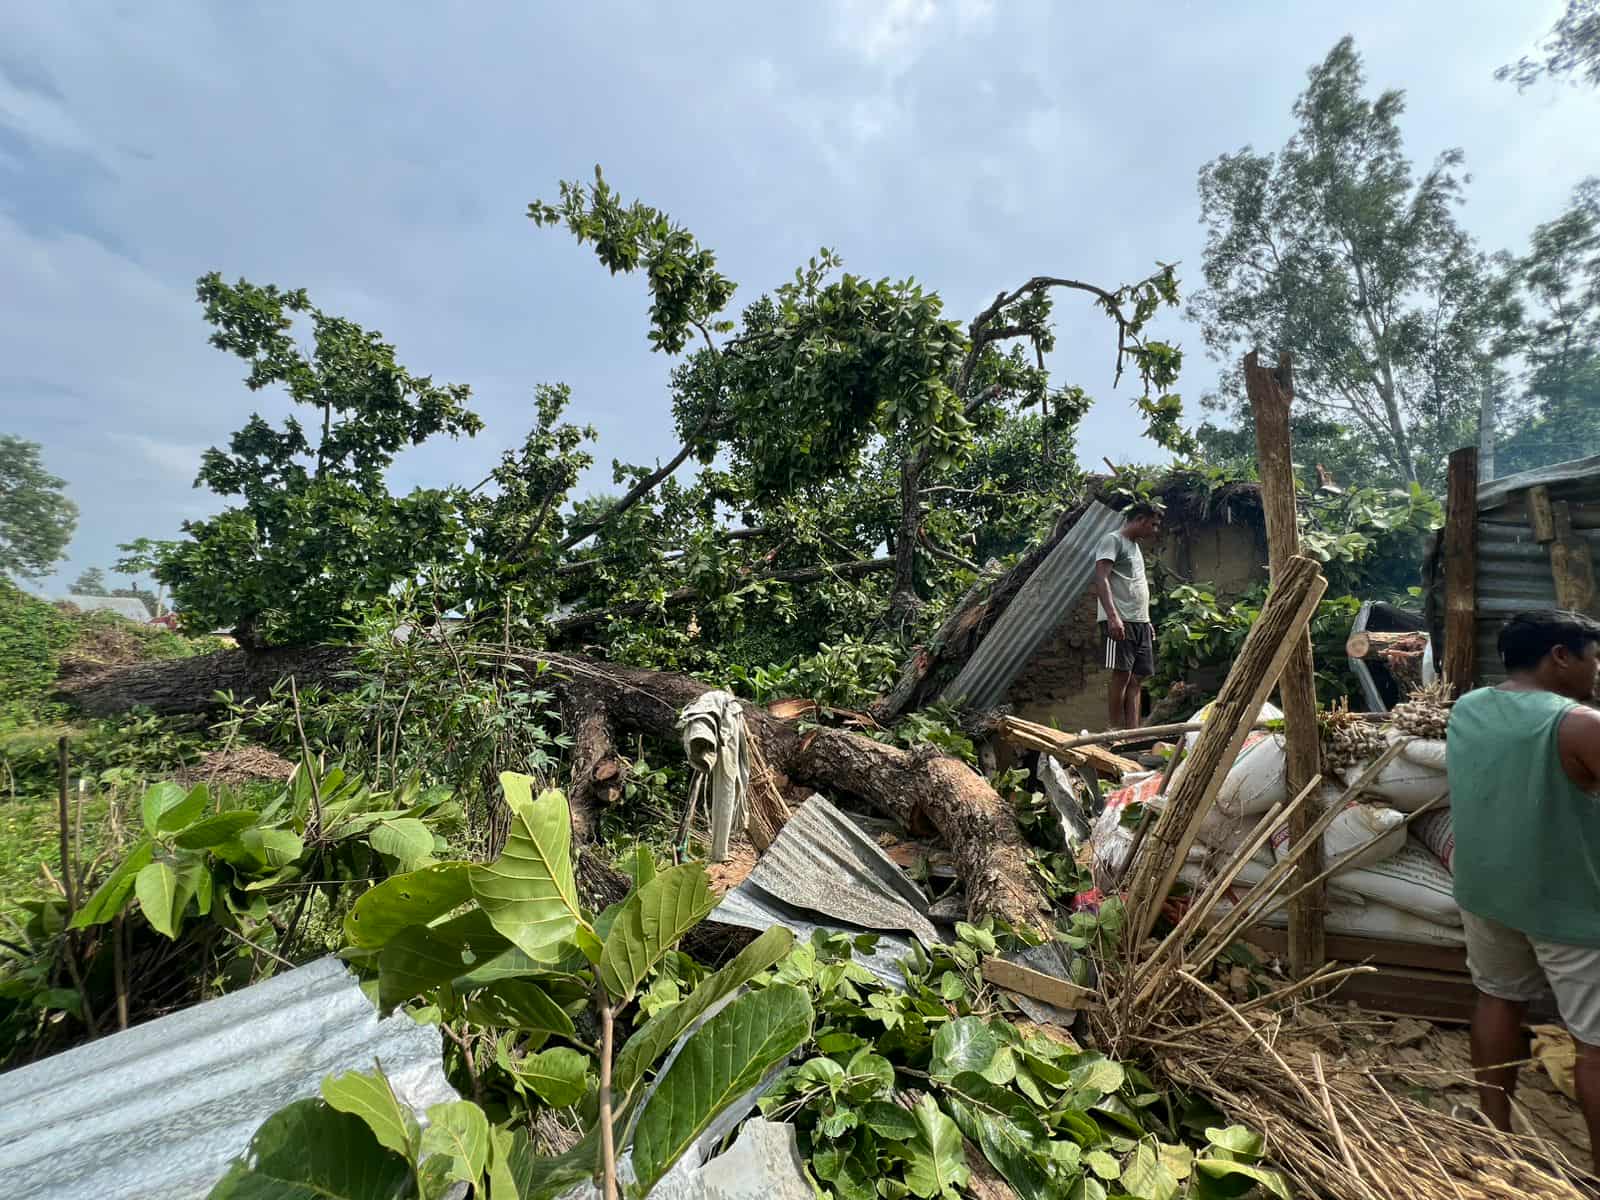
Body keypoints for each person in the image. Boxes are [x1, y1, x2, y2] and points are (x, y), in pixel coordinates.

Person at [1446, 608, 1600, 1170]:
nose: (1597, 671)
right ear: (1561, 656)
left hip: (1488, 892)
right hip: (1569, 906)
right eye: (1594, 659)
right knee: (1595, 1046)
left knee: (1497, 998)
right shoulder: (1579, 724)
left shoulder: (1468, 708)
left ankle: (1495, 1131)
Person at [1092, 502, 1162, 729]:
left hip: (1139, 621)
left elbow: (1135, 584)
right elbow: (1101, 578)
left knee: (1137, 677)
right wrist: (1113, 617)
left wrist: (1147, 620)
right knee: (1122, 674)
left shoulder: (1135, 546)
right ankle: (1114, 730)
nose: (1155, 529)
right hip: (1121, 620)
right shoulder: (1112, 540)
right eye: (1153, 524)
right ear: (1140, 519)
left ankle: (1133, 733)